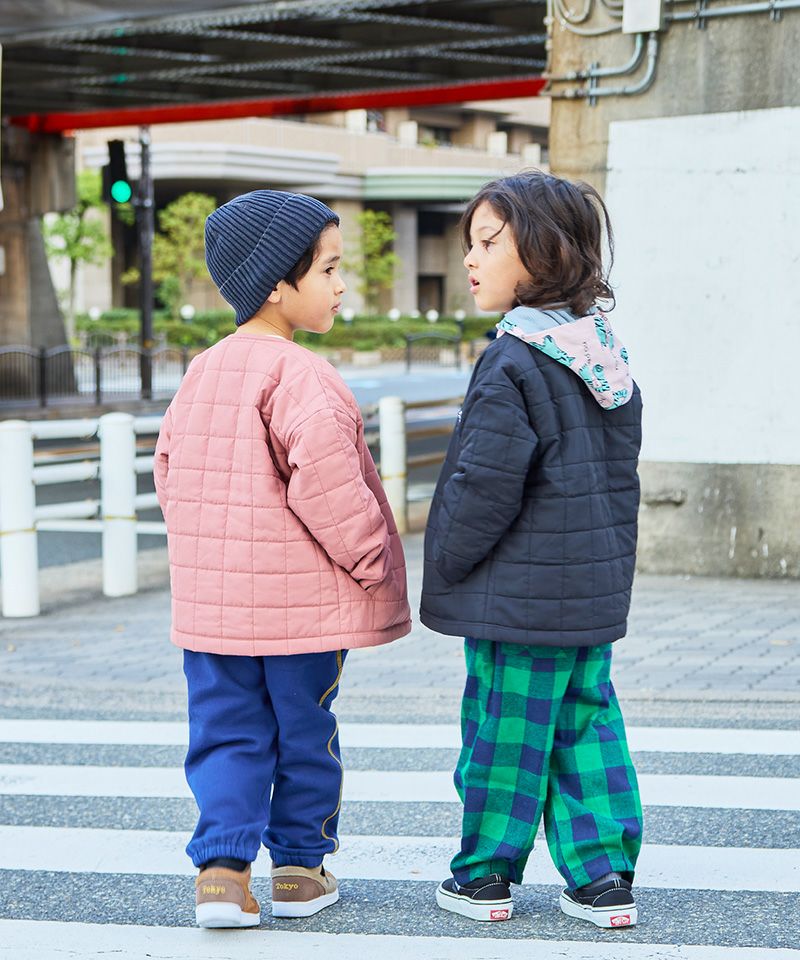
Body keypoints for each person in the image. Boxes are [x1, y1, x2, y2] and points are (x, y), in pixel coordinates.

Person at [154, 189, 411, 929]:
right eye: (328, 269)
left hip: (214, 613)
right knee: (304, 733)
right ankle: (299, 870)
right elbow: (330, 489)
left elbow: (169, 475)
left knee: (225, 732)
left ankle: (222, 875)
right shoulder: (302, 375)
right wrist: (371, 562)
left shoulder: (202, 371)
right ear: (275, 282)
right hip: (300, 612)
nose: (341, 285)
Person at [420, 171, 643, 929]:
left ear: (543, 251)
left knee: (506, 732)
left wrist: (446, 560)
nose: (470, 259)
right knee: (588, 726)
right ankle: (603, 878)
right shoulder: (606, 356)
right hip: (590, 591)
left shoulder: (514, 358)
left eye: (488, 243)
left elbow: (484, 483)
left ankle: (485, 875)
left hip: (516, 596)